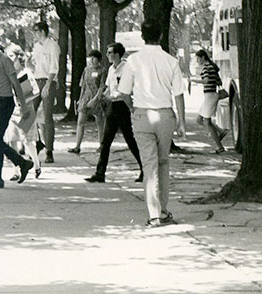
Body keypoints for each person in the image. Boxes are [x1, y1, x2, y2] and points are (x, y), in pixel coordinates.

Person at [118, 21, 186, 227]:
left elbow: (123, 92)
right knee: (163, 162)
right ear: (161, 33)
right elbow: (179, 94)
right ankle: (163, 210)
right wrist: (181, 121)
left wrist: (133, 108)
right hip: (165, 115)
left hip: (142, 115)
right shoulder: (171, 61)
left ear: (142, 36)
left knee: (149, 165)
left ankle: (154, 214)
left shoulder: (133, 61)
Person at [0, 29, 35, 188]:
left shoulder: (4, 60)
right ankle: (22, 163)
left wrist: (23, 106)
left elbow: (16, 84)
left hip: (5, 102)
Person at [84, 43, 143, 184]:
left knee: (130, 140)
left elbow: (125, 90)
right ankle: (100, 173)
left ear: (117, 54)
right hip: (112, 107)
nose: (107, 55)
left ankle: (145, 168)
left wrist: (116, 98)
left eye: (110, 52)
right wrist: (99, 98)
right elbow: (108, 88)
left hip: (122, 107)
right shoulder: (111, 69)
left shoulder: (126, 68)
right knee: (105, 142)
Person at [4, 48, 43, 181]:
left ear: (17, 57)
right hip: (12, 111)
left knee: (27, 141)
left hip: (26, 110)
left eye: (11, 55)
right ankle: (16, 170)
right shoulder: (8, 73)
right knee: (12, 140)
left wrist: (24, 99)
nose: (8, 58)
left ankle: (37, 164)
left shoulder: (26, 72)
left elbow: (36, 91)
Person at [30, 21, 60, 162]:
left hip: (48, 81)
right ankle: (36, 143)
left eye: (36, 31)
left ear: (42, 31)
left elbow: (54, 67)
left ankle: (49, 151)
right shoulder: (36, 47)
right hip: (36, 80)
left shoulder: (53, 46)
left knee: (47, 117)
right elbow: (34, 66)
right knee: (29, 113)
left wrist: (48, 85)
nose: (34, 34)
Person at [68, 50, 106, 154]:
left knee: (100, 122)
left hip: (97, 99)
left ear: (98, 59)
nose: (92, 60)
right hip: (86, 97)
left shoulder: (102, 71)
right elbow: (83, 85)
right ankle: (77, 146)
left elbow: (102, 87)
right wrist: (80, 99)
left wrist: (96, 99)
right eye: (91, 58)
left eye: (94, 58)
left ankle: (101, 145)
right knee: (80, 122)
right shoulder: (86, 70)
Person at [194, 49, 229, 154]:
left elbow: (206, 80)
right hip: (210, 96)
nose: (197, 61)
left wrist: (193, 80)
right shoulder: (212, 66)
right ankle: (220, 131)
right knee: (199, 119)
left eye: (198, 59)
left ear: (203, 58)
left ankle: (219, 146)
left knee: (206, 122)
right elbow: (218, 81)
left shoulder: (206, 67)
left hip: (210, 96)